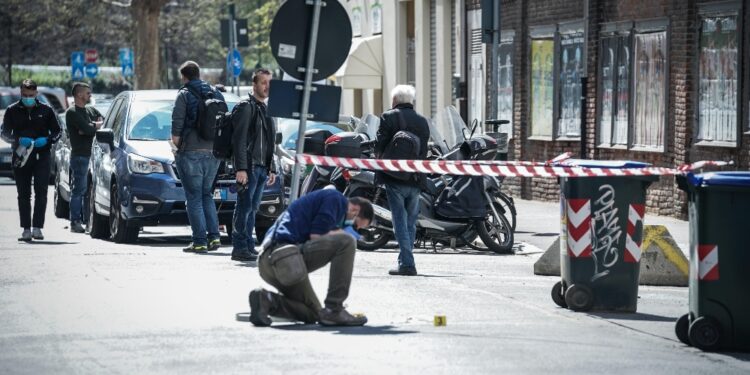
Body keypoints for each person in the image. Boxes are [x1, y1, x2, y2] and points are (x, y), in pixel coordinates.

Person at [249, 189, 374, 327]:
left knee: (314, 313)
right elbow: (317, 235)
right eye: (356, 225)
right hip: (283, 256)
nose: (354, 228)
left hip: (268, 264)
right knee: (347, 242)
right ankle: (334, 308)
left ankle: (266, 299)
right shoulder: (336, 199)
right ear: (354, 209)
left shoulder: (327, 206)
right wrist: (343, 233)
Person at [374, 85, 430, 276]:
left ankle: (407, 264)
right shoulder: (422, 121)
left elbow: (379, 145)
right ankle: (406, 259)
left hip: (394, 177)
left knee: (399, 221)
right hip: (415, 178)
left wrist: (380, 163)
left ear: (395, 100)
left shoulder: (388, 117)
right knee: (410, 222)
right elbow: (424, 152)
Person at [171, 61, 225, 252]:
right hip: (213, 152)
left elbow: (177, 124)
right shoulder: (215, 93)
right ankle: (214, 238)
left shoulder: (184, 94)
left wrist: (175, 147)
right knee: (206, 195)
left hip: (191, 151)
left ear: (184, 76)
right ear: (199, 74)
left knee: (193, 197)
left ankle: (200, 241)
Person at [0, 79, 61, 241]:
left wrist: (47, 140)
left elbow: (57, 132)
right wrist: (18, 139)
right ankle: (26, 229)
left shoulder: (46, 110)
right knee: (23, 194)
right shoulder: (11, 110)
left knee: (41, 192)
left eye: (31, 95)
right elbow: (4, 133)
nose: (28, 98)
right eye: (25, 95)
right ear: (21, 93)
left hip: (42, 155)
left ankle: (37, 228)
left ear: (36, 94)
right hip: (21, 155)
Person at [230, 68, 277, 262]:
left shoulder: (265, 108)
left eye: (269, 82)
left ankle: (248, 245)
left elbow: (269, 141)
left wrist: (271, 167)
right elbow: (239, 140)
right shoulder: (246, 106)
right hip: (248, 167)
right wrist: (240, 168)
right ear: (254, 84)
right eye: (263, 82)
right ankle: (239, 247)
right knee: (244, 207)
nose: (267, 86)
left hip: (261, 168)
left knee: (253, 208)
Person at [65, 82, 103, 233]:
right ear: (79, 94)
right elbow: (86, 130)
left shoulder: (90, 110)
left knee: (88, 191)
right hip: (80, 157)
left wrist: (91, 125)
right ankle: (75, 222)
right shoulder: (72, 112)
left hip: (92, 156)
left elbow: (102, 120)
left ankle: (88, 221)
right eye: (88, 93)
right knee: (79, 190)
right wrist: (91, 127)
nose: (90, 95)